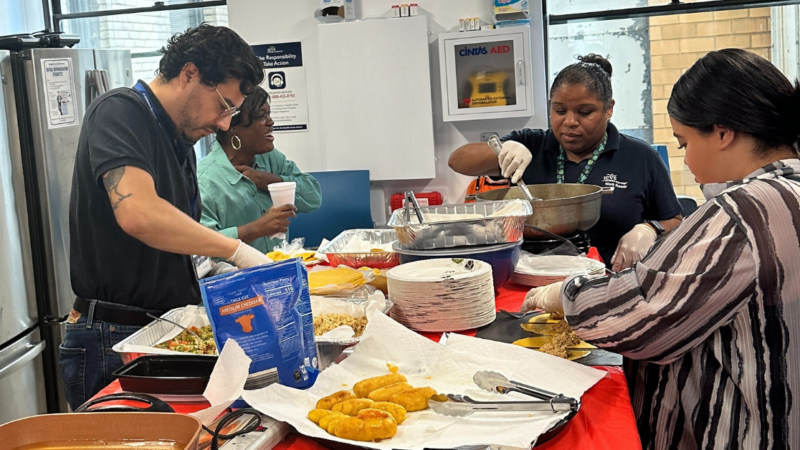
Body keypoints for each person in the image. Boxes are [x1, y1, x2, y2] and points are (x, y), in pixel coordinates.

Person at [523, 48, 800, 448]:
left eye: (684, 142)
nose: (684, 158)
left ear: (723, 133)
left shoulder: (743, 210)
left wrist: (564, 294)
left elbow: (645, 312)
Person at [64, 24, 272, 409]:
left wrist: (220, 273)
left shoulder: (180, 139)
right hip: (115, 338)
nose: (226, 123)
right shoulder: (121, 112)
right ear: (189, 74)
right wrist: (236, 250)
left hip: (160, 330)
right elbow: (138, 213)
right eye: (224, 106)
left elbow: (180, 239)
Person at [449, 54, 682, 270]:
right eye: (559, 110)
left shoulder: (640, 157)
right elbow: (457, 161)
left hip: (613, 280)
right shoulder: (531, 144)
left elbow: (673, 219)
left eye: (584, 112)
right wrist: (502, 152)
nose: (569, 121)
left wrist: (650, 229)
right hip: (531, 279)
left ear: (609, 108)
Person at [198, 86, 321, 252]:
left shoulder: (270, 158)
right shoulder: (205, 181)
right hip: (235, 275)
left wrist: (271, 181)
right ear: (232, 127)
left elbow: (314, 198)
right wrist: (255, 230)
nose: (271, 122)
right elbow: (201, 248)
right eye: (261, 117)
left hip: (279, 268)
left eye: (269, 114)